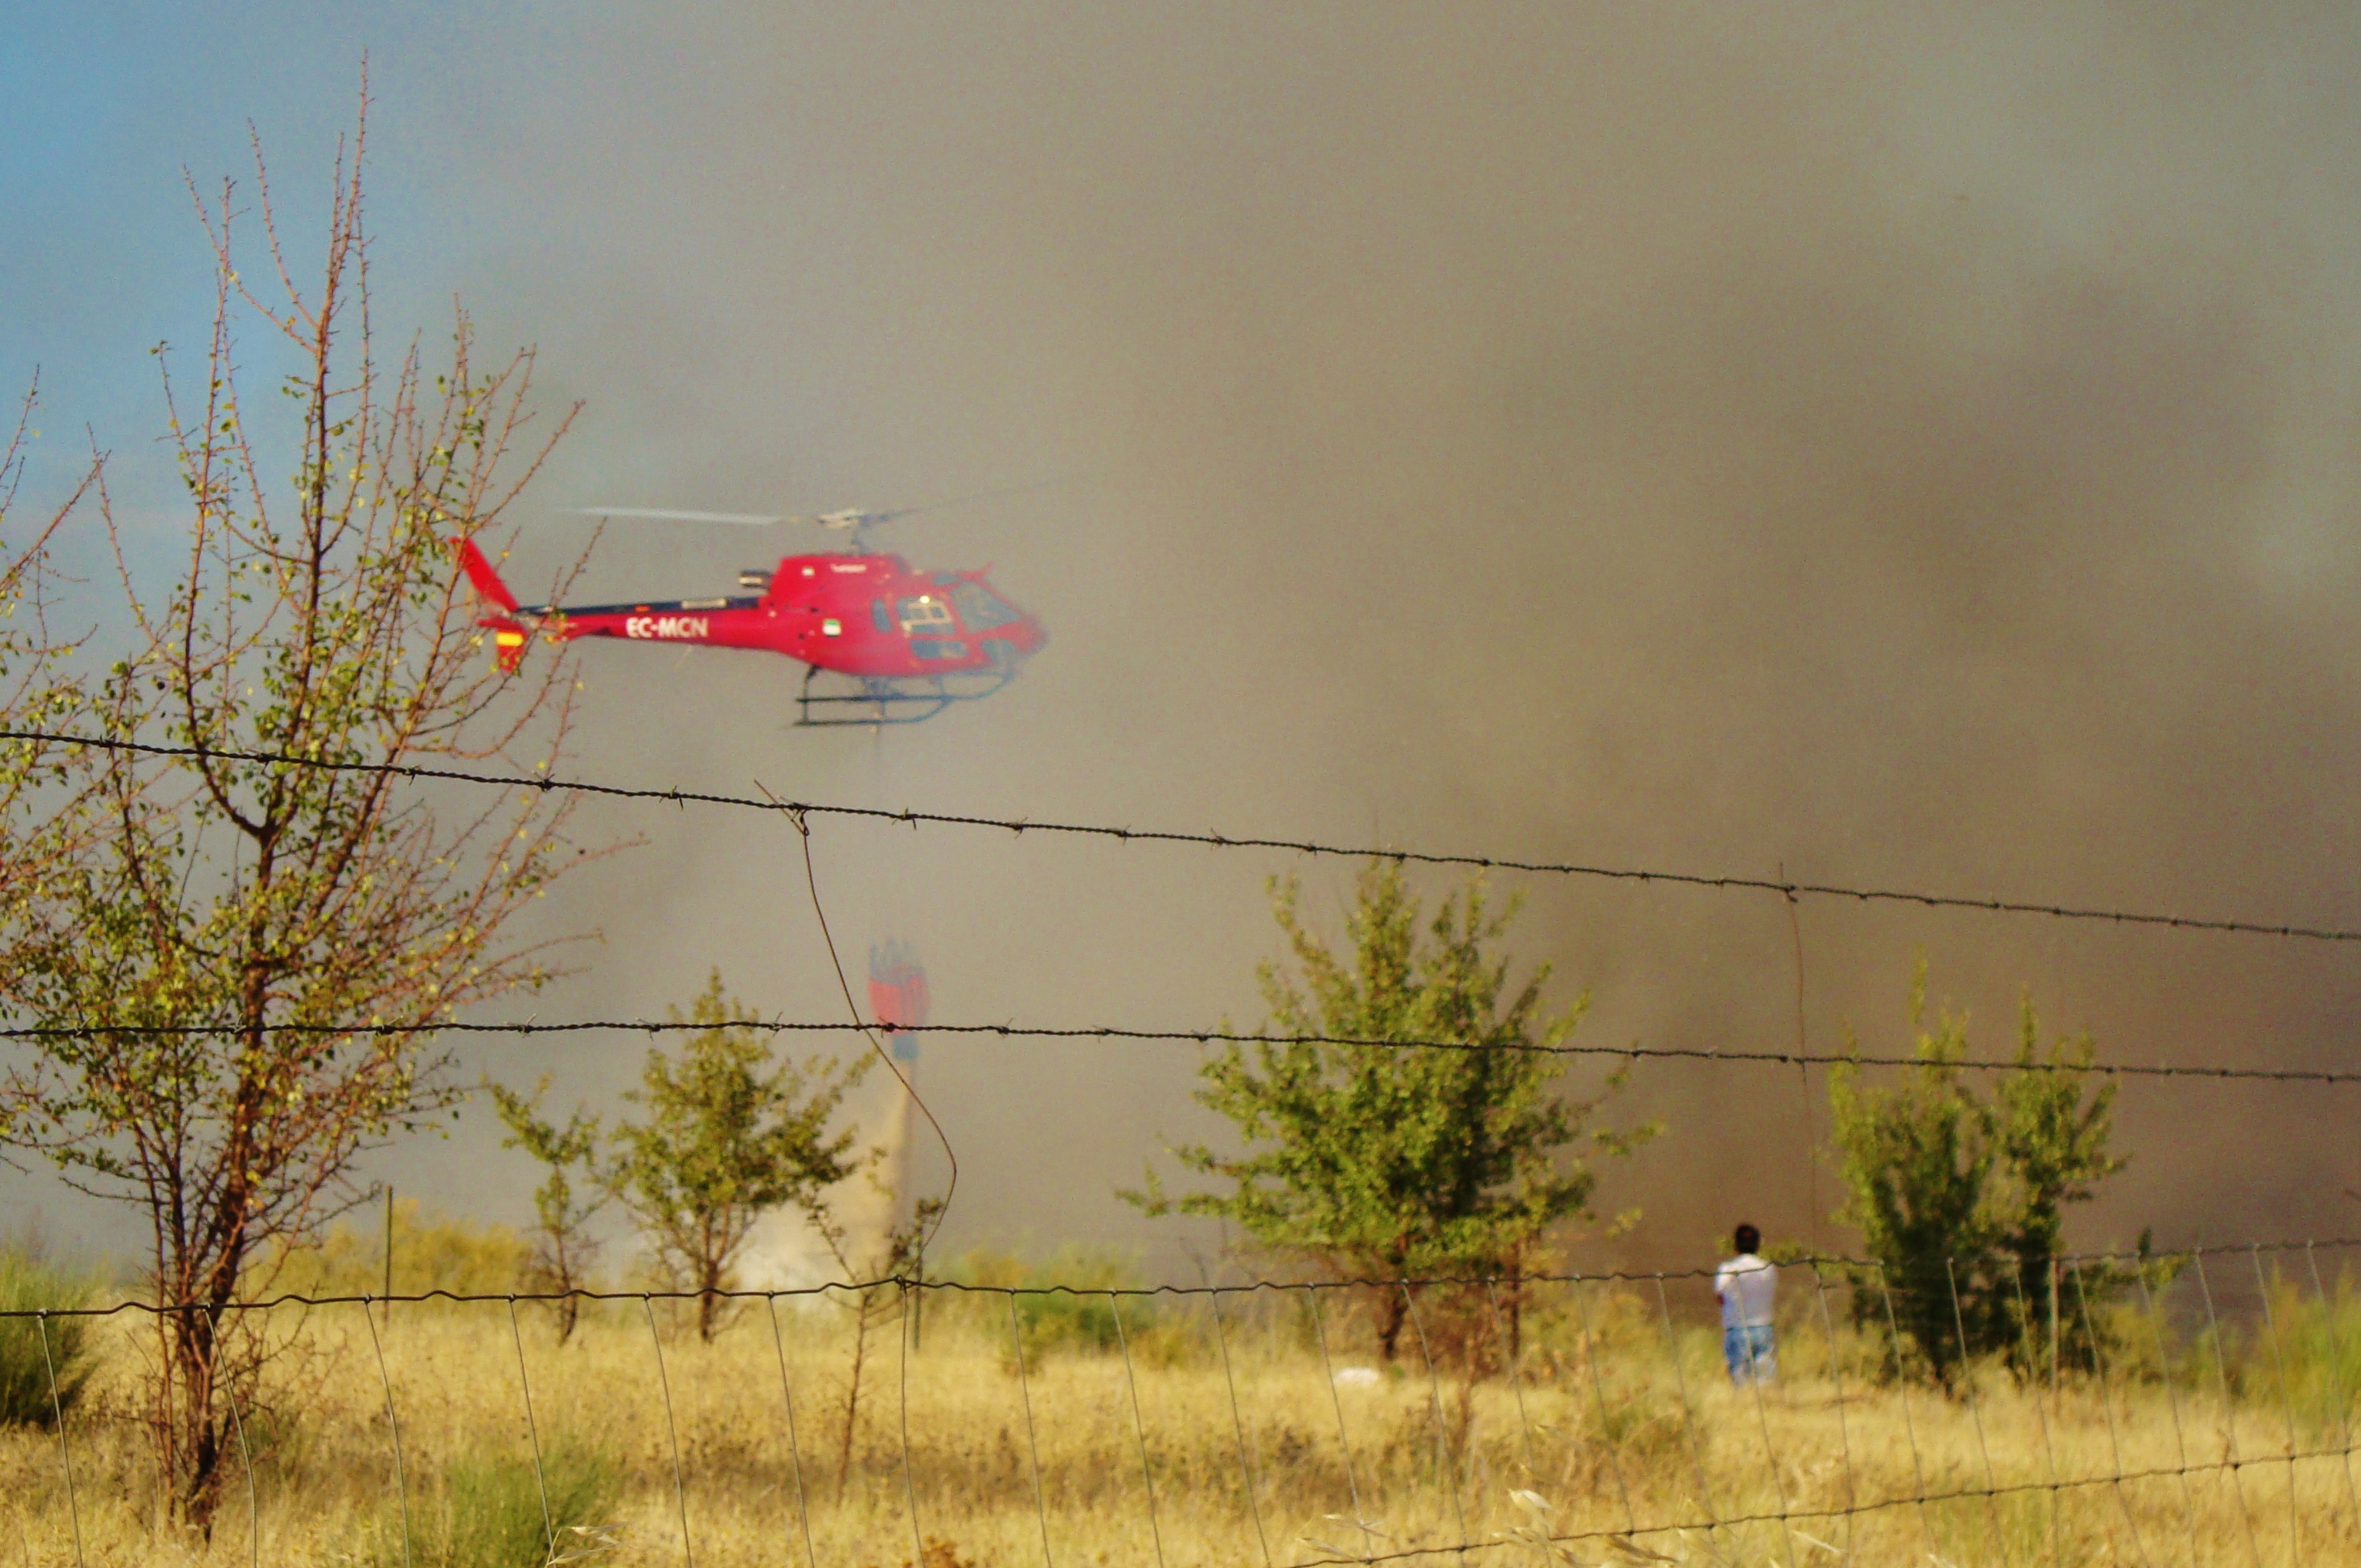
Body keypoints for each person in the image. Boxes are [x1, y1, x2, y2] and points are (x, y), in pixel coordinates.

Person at [1714, 1223, 1776, 1385]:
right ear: (1758, 1244)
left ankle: (1745, 1406)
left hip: (1737, 1327)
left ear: (1736, 1245)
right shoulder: (1768, 1268)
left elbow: (1720, 1297)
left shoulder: (1728, 1268)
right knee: (1764, 1378)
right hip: (1763, 1326)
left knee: (1740, 1378)